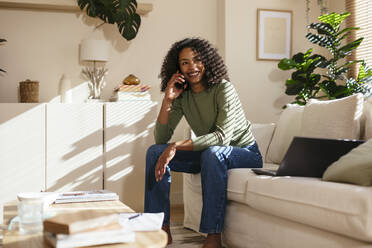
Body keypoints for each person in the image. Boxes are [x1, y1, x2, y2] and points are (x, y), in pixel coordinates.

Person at [144, 37, 262, 248]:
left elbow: (222, 138)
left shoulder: (224, 89)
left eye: (197, 60)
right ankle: (160, 230)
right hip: (210, 153)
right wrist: (168, 100)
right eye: (185, 62)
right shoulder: (183, 95)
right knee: (155, 152)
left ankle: (213, 236)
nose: (192, 67)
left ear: (207, 61)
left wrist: (177, 146)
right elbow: (161, 139)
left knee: (213, 152)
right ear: (178, 68)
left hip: (244, 152)